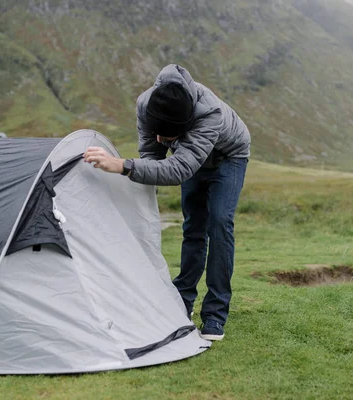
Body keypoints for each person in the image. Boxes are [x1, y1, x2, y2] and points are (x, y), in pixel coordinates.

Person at [83, 64, 250, 341]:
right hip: (191, 158)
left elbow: (178, 169)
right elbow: (151, 156)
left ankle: (215, 313)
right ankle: (181, 304)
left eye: (168, 137)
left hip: (228, 158)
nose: (160, 139)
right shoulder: (146, 105)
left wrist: (122, 165)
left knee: (219, 223)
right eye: (157, 131)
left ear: (185, 128)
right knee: (193, 228)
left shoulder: (209, 113)